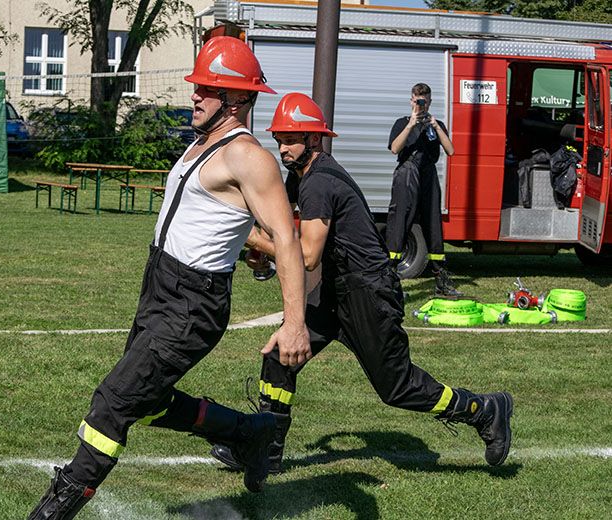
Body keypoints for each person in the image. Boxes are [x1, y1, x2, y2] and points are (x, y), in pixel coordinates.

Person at [27, 37, 310, 520]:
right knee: (147, 399)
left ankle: (54, 510)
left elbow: (287, 238)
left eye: (208, 88)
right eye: (197, 85)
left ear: (239, 99)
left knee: (113, 403)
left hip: (191, 303)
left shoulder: (249, 157)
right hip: (160, 286)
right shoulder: (204, 143)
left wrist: (295, 322)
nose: (195, 95)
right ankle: (248, 431)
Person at [210, 93, 513, 476]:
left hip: (369, 293)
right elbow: (279, 222)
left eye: (291, 139)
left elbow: (305, 257)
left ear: (315, 140)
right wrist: (261, 239)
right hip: (339, 289)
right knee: (279, 356)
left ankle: (484, 410)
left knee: (397, 387)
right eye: (280, 139)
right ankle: (265, 450)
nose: (283, 149)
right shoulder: (300, 175)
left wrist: (253, 241)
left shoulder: (319, 182)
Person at [386, 83, 461, 298]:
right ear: (411, 101)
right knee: (400, 222)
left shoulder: (435, 125)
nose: (421, 105)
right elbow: (394, 149)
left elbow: (451, 150)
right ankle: (390, 279)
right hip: (407, 172)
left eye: (425, 101)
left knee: (433, 225)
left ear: (430, 101)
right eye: (418, 101)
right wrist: (411, 124)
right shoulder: (402, 122)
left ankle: (441, 279)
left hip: (428, 173)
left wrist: (436, 127)